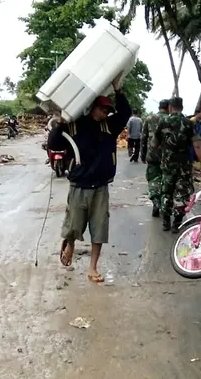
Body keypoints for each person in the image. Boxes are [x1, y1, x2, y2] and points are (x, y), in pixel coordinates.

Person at [48, 78, 130, 282]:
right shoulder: (75, 125)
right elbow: (54, 143)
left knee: (99, 228)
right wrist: (60, 124)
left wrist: (118, 90)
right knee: (74, 224)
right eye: (102, 109)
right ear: (93, 107)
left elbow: (125, 113)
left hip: (100, 186)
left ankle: (93, 267)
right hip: (79, 184)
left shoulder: (110, 126)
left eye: (107, 111)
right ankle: (70, 243)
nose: (105, 114)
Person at [154, 97, 201, 232]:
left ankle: (165, 221)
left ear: (170, 107)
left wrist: (164, 151)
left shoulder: (163, 121)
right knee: (181, 194)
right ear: (182, 107)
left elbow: (154, 143)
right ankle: (177, 223)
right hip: (184, 166)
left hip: (167, 165)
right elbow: (197, 145)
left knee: (166, 192)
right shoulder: (188, 123)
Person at [140, 99, 169, 217]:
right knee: (165, 179)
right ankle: (164, 203)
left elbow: (144, 138)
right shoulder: (170, 119)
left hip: (152, 154)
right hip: (167, 156)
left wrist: (143, 154)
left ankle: (155, 200)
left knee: (153, 179)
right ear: (168, 107)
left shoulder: (149, 119)